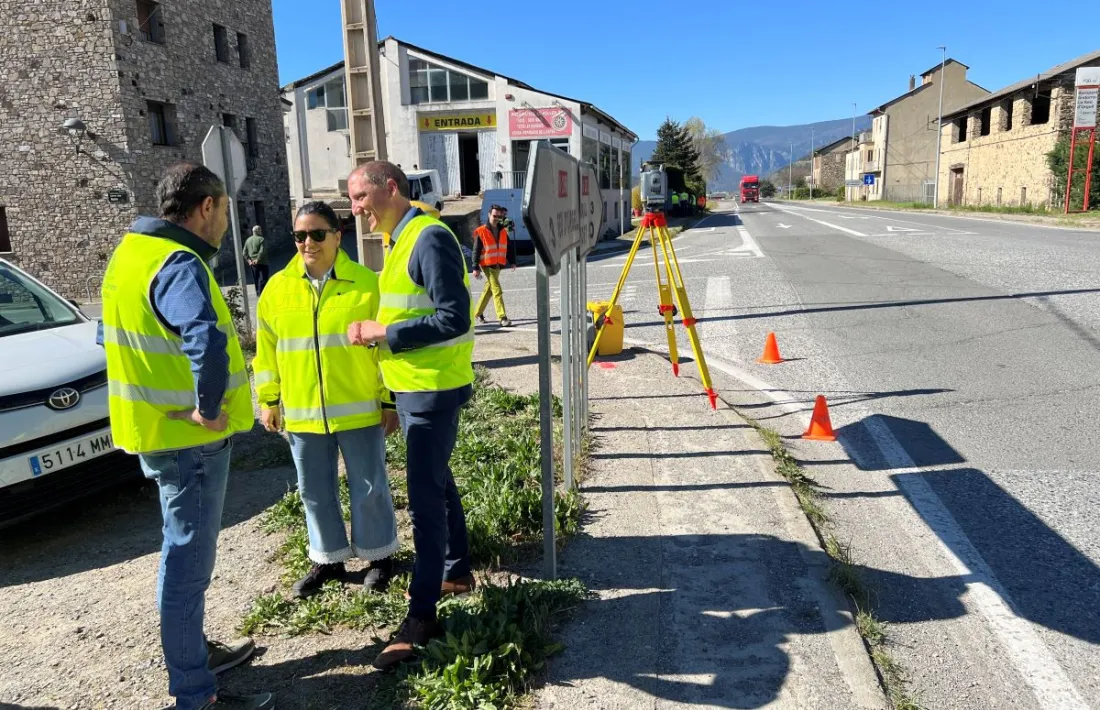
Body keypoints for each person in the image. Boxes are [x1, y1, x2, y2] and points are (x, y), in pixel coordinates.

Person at [98, 162, 273, 710]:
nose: (226, 222)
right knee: (187, 565)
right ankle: (196, 695)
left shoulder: (128, 256)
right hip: (189, 443)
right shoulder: (179, 262)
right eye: (224, 210)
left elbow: (108, 337)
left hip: (154, 433)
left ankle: (195, 654)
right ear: (206, 208)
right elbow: (204, 338)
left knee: (184, 556)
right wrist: (206, 409)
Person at [344, 161, 475, 671]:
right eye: (352, 200)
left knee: (423, 501)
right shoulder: (401, 239)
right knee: (438, 482)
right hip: (415, 387)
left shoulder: (427, 237)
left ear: (390, 188)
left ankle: (422, 616)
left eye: (360, 197)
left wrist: (384, 335)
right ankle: (456, 571)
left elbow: (453, 316)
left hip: (433, 389)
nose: (356, 209)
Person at [252, 201, 400, 599]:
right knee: (313, 490)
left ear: (338, 235)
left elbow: (384, 348)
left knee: (369, 487)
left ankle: (379, 556)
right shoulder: (276, 290)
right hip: (302, 414)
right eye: (300, 235)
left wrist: (389, 400)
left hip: (359, 407)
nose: (308, 243)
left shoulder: (367, 284)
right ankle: (328, 559)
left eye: (318, 234)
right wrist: (269, 400)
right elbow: (266, 352)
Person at [472, 204, 515, 328]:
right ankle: (502, 317)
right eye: (494, 215)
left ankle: (478, 313)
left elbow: (509, 246)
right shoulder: (481, 231)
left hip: (498, 264)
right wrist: (475, 267)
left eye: (498, 216)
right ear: (489, 215)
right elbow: (476, 250)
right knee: (497, 290)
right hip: (486, 264)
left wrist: (512, 261)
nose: (496, 218)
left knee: (489, 290)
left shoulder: (502, 231)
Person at [244, 225, 269, 296]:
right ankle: (262, 292)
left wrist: (249, 260)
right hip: (262, 262)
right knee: (263, 278)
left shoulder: (248, 240)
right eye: (260, 230)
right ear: (258, 231)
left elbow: (244, 252)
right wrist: (257, 259)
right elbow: (262, 250)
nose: (261, 231)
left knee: (256, 278)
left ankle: (258, 292)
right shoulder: (261, 239)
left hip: (252, 263)